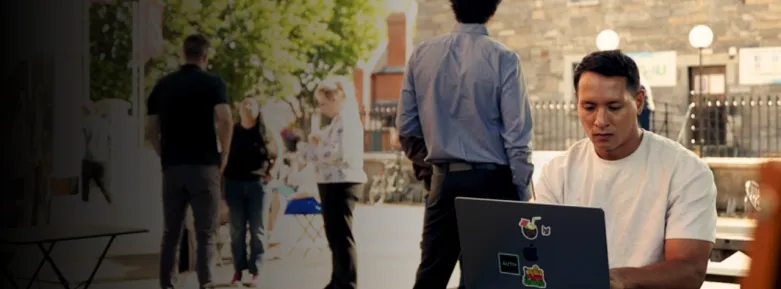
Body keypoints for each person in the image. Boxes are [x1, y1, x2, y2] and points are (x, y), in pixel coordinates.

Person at [533, 50, 716, 289]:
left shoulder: (686, 171)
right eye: (588, 107)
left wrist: (617, 279)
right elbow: (538, 247)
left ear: (639, 102)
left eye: (614, 107)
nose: (600, 120)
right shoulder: (557, 172)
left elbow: (689, 270)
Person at [395, 1, 535, 288]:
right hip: (493, 183)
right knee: (488, 275)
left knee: (431, 274)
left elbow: (407, 127)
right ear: (492, 12)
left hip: (444, 181)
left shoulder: (422, 54)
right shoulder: (503, 57)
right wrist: (522, 193)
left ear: (452, 7)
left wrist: (432, 174)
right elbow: (517, 136)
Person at [146, 34, 233, 289]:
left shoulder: (162, 85)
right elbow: (225, 119)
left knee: (170, 233)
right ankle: (205, 283)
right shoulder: (213, 83)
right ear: (205, 58)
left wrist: (164, 154)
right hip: (204, 165)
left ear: (182, 54)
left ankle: (167, 285)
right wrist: (224, 154)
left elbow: (151, 128)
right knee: (206, 232)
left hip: (173, 168)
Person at [304, 78, 367, 289]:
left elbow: (337, 153)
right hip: (333, 181)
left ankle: (347, 282)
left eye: (323, 103)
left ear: (337, 99)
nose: (321, 109)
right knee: (335, 235)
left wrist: (313, 151)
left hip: (341, 182)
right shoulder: (340, 121)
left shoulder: (346, 120)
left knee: (341, 235)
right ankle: (338, 279)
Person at [223, 97, 280, 285]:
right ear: (239, 109)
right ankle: (238, 270)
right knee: (236, 230)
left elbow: (278, 154)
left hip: (258, 186)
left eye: (251, 104)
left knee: (258, 229)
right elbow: (223, 155)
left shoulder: (265, 133)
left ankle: (256, 270)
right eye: (244, 103)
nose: (247, 106)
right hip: (234, 185)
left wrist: (271, 174)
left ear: (257, 110)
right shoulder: (232, 132)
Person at [81, 101, 113, 204]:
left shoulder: (86, 122)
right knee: (105, 189)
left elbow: (81, 140)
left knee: (85, 188)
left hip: (89, 159)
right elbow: (110, 142)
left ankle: (84, 208)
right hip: (103, 160)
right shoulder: (104, 123)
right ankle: (113, 207)